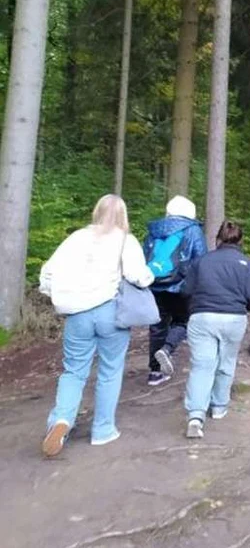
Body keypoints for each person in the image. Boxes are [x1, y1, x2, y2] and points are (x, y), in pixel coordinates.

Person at [39, 195, 155, 457]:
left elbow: (47, 274)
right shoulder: (126, 240)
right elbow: (139, 276)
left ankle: (61, 421)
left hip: (77, 314)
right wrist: (151, 275)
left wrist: (56, 295)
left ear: (97, 212)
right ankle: (103, 430)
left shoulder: (76, 238)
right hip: (110, 312)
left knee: (73, 371)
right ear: (124, 215)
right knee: (110, 370)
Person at [181, 221, 250, 439]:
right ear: (240, 240)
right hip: (234, 318)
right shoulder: (246, 263)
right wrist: (244, 308)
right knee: (226, 362)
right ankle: (218, 407)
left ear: (217, 239)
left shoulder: (202, 261)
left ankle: (196, 416)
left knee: (201, 365)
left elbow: (186, 290)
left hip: (202, 317)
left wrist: (194, 308)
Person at [143, 195, 207, 386]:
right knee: (184, 321)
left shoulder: (153, 230)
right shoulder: (192, 230)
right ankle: (168, 349)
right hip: (181, 286)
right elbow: (200, 259)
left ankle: (155, 372)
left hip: (155, 284)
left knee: (157, 327)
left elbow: (145, 256)